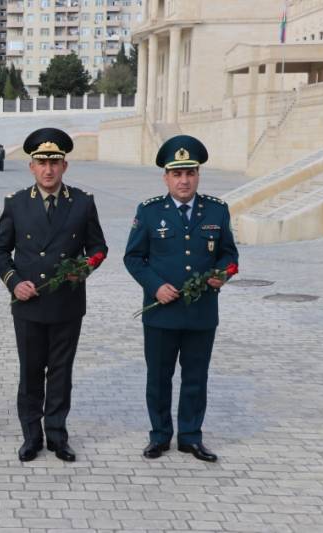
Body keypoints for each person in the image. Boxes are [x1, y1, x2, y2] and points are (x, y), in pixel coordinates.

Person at [0, 128, 108, 462]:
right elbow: (1, 251)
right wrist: (14, 282)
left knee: (60, 372)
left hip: (67, 304)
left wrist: (84, 268)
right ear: (31, 166)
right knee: (30, 372)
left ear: (64, 166)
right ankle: (31, 435)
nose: (48, 169)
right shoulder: (15, 204)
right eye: (42, 162)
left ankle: (57, 435)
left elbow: (98, 247)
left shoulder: (83, 203)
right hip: (28, 304)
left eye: (54, 162)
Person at [123, 135, 238, 463]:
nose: (184, 180)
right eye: (177, 174)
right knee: (159, 377)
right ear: (166, 178)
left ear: (198, 175)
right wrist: (155, 286)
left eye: (190, 172)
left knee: (196, 378)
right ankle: (159, 436)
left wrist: (224, 274)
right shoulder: (149, 212)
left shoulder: (216, 210)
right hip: (161, 312)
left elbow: (229, 254)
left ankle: (190, 437)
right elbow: (133, 258)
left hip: (201, 313)